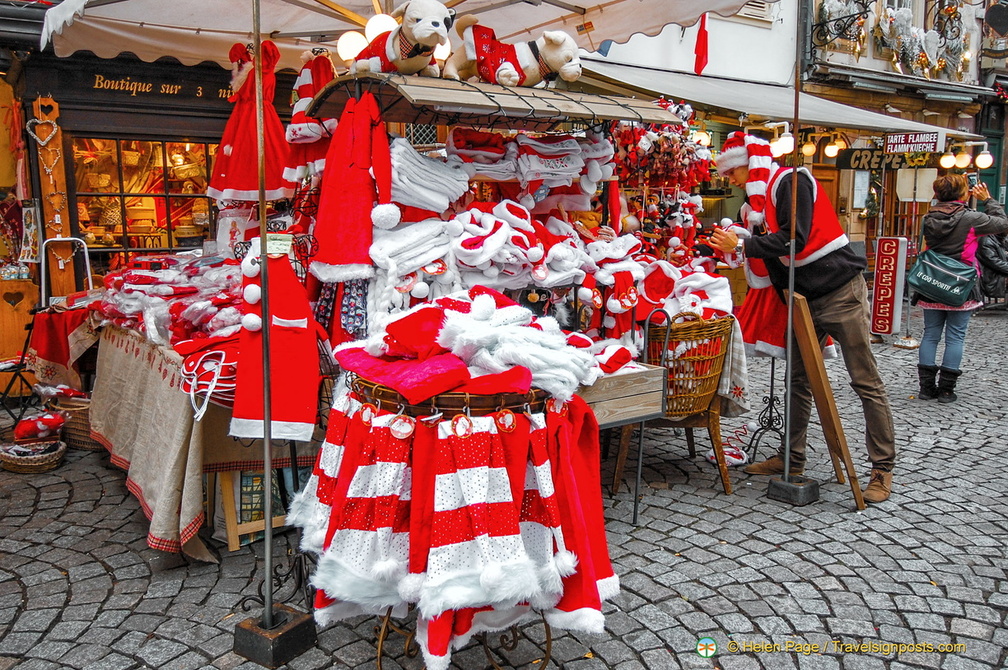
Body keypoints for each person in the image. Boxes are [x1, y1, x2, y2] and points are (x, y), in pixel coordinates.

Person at [709, 132, 897, 504]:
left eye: (733, 171)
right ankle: (792, 460)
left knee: (864, 379)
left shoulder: (793, 181)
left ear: (750, 164)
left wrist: (744, 245)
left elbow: (795, 239)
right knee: (798, 381)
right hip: (802, 299)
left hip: (840, 290)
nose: (729, 180)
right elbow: (776, 258)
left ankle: (882, 468)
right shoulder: (757, 203)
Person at [914, 175, 1008, 403]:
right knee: (955, 337)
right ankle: (946, 390)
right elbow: (1003, 223)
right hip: (961, 284)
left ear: (937, 194)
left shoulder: (927, 218)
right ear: (963, 194)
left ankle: (926, 388)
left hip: (932, 282)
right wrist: (989, 200)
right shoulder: (972, 218)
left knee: (930, 334)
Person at [977, 231, 1008, 302]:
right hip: (994, 280)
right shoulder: (986, 242)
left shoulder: (1002, 238)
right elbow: (996, 263)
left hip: (1001, 274)